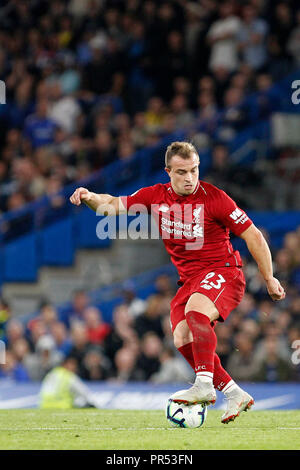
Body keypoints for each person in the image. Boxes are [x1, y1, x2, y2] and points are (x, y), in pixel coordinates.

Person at [70, 141, 286, 423]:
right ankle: (234, 393)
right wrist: (88, 196)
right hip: (189, 280)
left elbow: (253, 235)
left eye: (194, 170)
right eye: (182, 172)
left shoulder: (215, 198)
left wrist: (268, 278)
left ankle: (204, 385)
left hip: (223, 272)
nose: (189, 178)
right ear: (168, 172)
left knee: (195, 312)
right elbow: (110, 205)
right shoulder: (155, 196)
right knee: (181, 336)